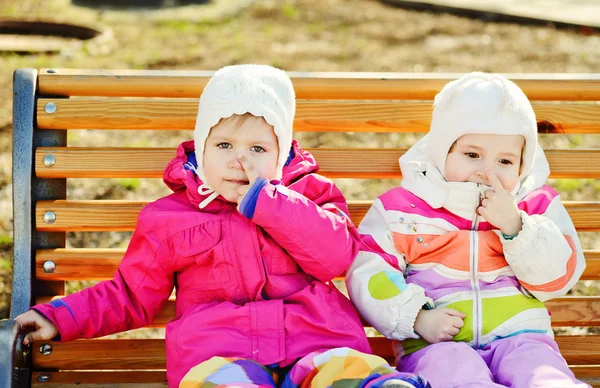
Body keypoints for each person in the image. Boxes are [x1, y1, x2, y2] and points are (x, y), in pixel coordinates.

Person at [15, 64, 429, 388]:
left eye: (258, 148)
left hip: (319, 340)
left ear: (282, 155)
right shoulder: (168, 218)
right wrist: (61, 316)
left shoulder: (310, 196)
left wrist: (268, 201)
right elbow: (129, 295)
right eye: (225, 145)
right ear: (202, 146)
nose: (239, 160)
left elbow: (336, 258)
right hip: (218, 352)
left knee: (348, 373)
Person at [345, 72, 588, 387]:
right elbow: (370, 273)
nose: (485, 171)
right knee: (454, 373)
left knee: (544, 378)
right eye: (472, 155)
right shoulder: (403, 210)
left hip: (522, 337)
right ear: (442, 150)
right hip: (437, 343)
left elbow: (558, 278)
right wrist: (417, 317)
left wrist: (516, 227)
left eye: (505, 161)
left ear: (522, 165)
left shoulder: (535, 206)